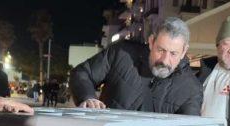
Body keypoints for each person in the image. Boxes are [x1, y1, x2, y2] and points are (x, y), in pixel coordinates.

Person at [69, 16, 202, 115]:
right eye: (161, 50)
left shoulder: (192, 89)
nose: (165, 60)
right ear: (151, 42)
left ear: (184, 51)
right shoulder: (121, 54)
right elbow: (82, 73)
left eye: (173, 53)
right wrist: (87, 97)